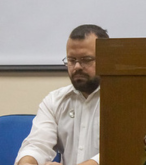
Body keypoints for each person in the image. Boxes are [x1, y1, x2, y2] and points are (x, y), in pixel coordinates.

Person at [15, 24, 109, 165]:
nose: (77, 67)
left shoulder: (124, 100)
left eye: (86, 60)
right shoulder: (55, 100)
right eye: (71, 60)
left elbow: (125, 149)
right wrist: (27, 162)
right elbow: (37, 145)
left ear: (107, 59)